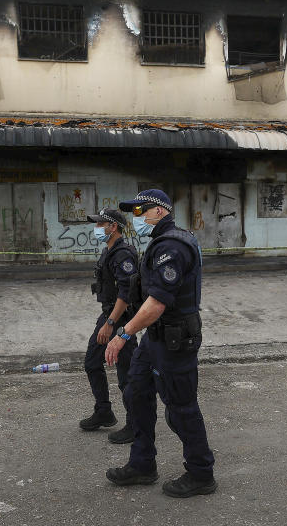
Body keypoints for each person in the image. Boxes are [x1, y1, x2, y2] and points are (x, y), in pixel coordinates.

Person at [104, 189, 217, 498]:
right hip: (155, 339)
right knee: (136, 392)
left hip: (175, 340)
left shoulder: (172, 246)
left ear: (158, 211)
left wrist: (123, 333)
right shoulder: (159, 243)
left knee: (181, 408)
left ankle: (201, 472)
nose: (135, 218)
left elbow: (157, 303)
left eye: (139, 211)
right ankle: (142, 465)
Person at [79, 208, 139, 444]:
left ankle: (135, 425)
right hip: (108, 316)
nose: (97, 228)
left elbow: (126, 293)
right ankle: (104, 410)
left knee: (127, 375)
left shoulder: (123, 254)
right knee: (92, 362)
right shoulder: (109, 250)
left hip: (121, 320)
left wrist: (111, 323)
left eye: (100, 224)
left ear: (113, 227)